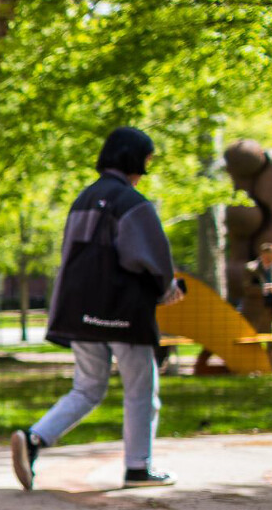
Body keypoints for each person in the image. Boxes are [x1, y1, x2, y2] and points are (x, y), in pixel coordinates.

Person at [10, 126, 184, 491]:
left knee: (87, 388)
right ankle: (138, 467)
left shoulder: (83, 200)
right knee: (141, 388)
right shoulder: (133, 203)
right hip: (124, 312)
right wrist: (167, 290)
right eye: (147, 160)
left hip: (80, 311)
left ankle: (35, 438)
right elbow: (151, 259)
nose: (146, 168)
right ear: (135, 159)